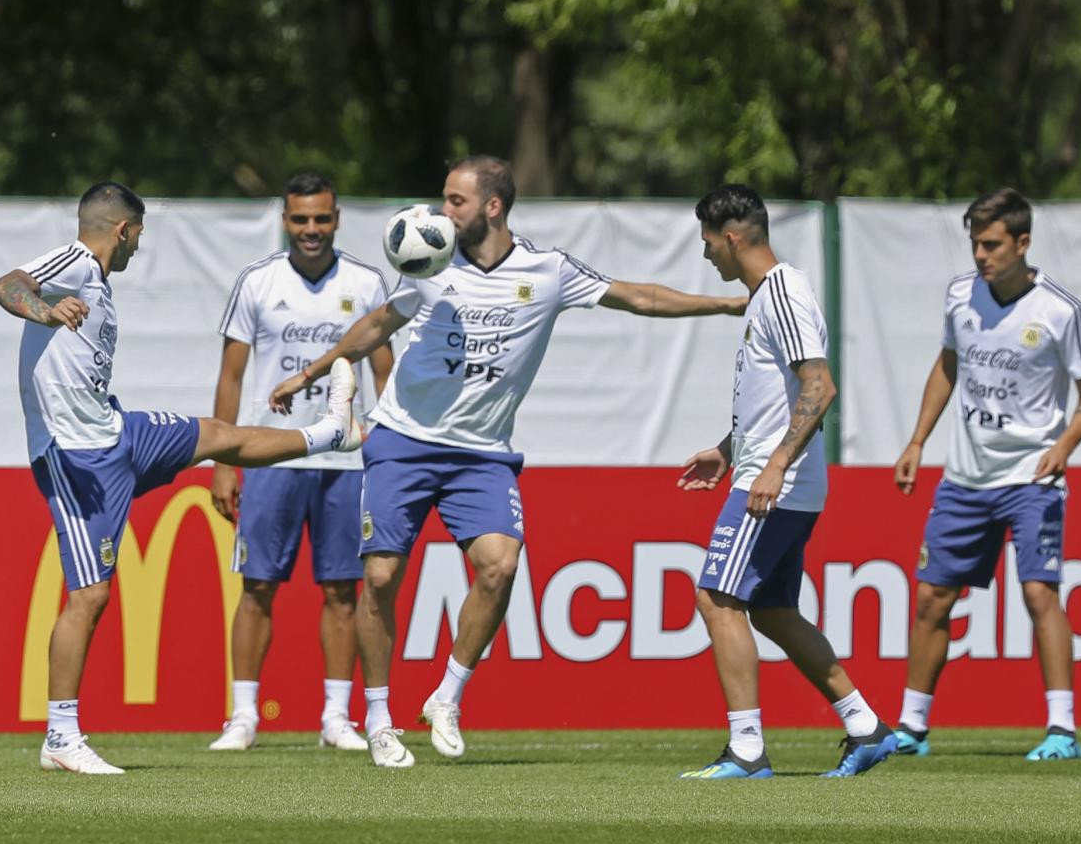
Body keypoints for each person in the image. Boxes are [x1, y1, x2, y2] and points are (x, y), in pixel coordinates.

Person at [270, 154, 748, 768]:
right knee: (382, 577)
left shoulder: (547, 271)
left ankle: (447, 696)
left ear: (492, 207)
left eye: (456, 201)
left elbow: (640, 296)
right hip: (404, 438)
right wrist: (311, 372)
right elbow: (375, 325)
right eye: (444, 199)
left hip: (482, 453)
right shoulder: (428, 263)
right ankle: (380, 718)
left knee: (500, 565)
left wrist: (725, 306)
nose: (443, 212)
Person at [0, 181, 362, 774]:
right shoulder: (79, 263)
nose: (139, 245)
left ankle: (329, 433)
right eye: (139, 234)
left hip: (118, 431)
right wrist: (45, 308)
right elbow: (6, 285)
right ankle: (60, 737)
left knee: (217, 434)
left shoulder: (99, 286)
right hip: (77, 456)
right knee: (90, 594)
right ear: (123, 230)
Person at [677, 184, 897, 780]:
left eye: (707, 244)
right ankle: (866, 727)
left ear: (732, 237)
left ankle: (747, 749)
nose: (706, 257)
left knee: (717, 596)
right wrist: (728, 450)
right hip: (770, 475)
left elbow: (819, 387)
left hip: (777, 482)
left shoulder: (784, 292)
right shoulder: (764, 298)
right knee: (771, 610)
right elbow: (777, 397)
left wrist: (772, 464)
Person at [892, 188, 1081, 761]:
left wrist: (1065, 445)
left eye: (991, 244)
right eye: (975, 244)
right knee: (933, 598)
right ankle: (911, 727)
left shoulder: (1060, 311)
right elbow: (948, 365)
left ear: (1022, 242)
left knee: (1039, 593)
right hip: (964, 477)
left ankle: (1062, 731)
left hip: (1031, 477)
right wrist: (917, 441)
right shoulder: (960, 295)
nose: (980, 256)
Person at [207, 175, 394, 753]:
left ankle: (336, 718)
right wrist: (223, 461)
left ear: (336, 218)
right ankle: (242, 717)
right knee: (257, 586)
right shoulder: (258, 282)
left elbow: (385, 373)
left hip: (345, 461)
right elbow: (232, 376)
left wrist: (387, 452)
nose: (311, 230)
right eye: (300, 220)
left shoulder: (366, 283)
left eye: (321, 219)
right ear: (283, 220)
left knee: (342, 590)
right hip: (271, 455)